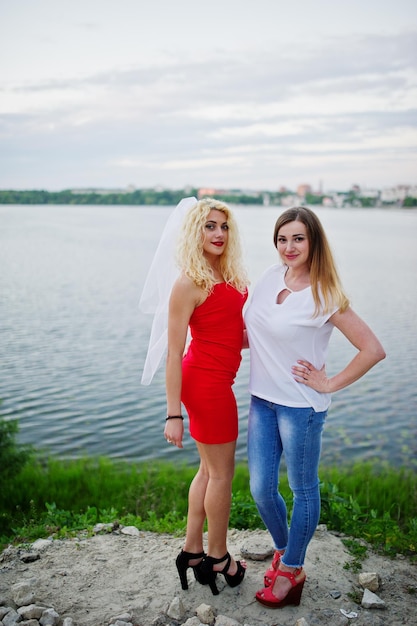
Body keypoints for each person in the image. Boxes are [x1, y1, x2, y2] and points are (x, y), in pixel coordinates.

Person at [243, 206, 386, 608]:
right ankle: (285, 553)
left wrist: (329, 383)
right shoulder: (270, 277)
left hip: (301, 408)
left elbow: (372, 349)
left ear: (313, 242)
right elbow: (256, 332)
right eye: (282, 238)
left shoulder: (326, 293)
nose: (289, 247)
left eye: (298, 239)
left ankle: (291, 569)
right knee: (260, 489)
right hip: (261, 400)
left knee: (302, 489)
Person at [142, 197, 249, 596]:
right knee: (222, 473)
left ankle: (191, 550)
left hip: (219, 377)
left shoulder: (231, 273)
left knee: (208, 471)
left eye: (223, 226)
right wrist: (173, 414)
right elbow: (174, 351)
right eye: (209, 226)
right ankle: (218, 557)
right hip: (204, 383)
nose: (218, 233)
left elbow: (231, 334)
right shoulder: (189, 282)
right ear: (194, 232)